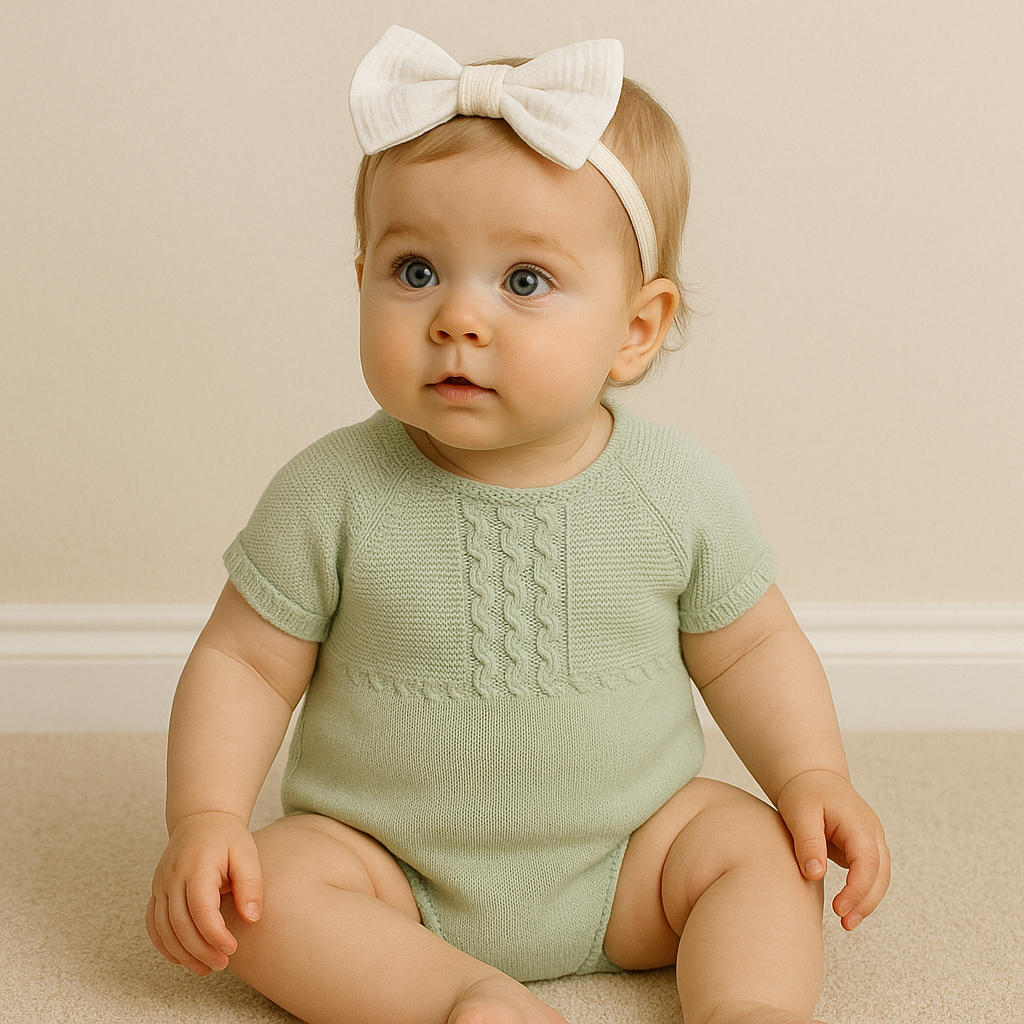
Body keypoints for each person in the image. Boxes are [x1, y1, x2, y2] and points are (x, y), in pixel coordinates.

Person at [147, 26, 890, 1024]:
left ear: (635, 329)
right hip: (387, 866)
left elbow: (752, 646)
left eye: (524, 281)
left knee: (759, 849)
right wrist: (205, 816)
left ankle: (748, 1007)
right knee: (265, 892)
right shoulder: (330, 492)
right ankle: (463, 999)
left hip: (631, 857)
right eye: (416, 271)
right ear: (360, 277)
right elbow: (243, 663)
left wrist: (811, 774)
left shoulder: (674, 491)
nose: (457, 318)